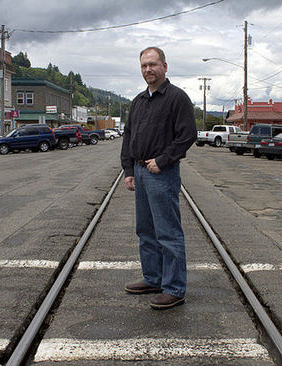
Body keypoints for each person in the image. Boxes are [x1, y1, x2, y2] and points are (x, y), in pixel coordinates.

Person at [121, 46, 197, 310]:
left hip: (161, 174)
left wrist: (163, 160)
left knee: (168, 232)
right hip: (140, 173)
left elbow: (187, 135)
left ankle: (174, 288)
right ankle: (153, 279)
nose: (148, 70)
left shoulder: (177, 98)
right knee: (145, 230)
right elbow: (128, 136)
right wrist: (128, 170)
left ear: (165, 66)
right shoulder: (139, 101)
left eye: (152, 64)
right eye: (143, 65)